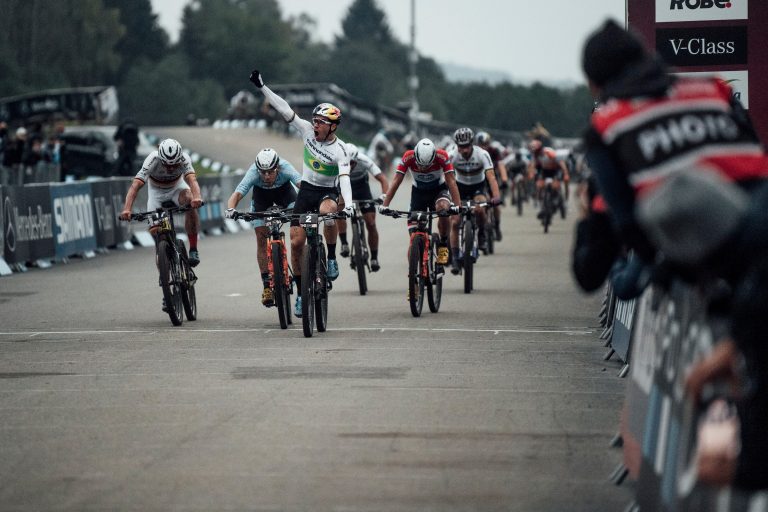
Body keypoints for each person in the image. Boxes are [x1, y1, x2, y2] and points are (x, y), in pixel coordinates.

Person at [582, 18, 768, 490]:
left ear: (595, 84)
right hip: (750, 239)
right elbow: (751, 161)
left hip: (743, 271)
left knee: (738, 457)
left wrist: (651, 257)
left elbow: (600, 255)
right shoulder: (714, 89)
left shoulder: (607, 123)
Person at [249, 68, 354, 319]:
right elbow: (285, 109)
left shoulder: (340, 150)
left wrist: (348, 204)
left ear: (332, 127)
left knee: (328, 212)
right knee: (296, 242)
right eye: (315, 121)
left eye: (321, 122)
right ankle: (299, 292)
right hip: (306, 191)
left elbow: (344, 179)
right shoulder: (306, 131)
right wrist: (262, 87)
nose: (315, 124)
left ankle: (330, 258)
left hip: (327, 192)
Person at [225, 148, 302, 306]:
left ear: (278, 168)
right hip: (261, 198)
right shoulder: (253, 172)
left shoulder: (286, 167)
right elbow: (238, 193)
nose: (266, 176)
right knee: (261, 238)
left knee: (298, 226)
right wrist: (231, 209)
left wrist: (311, 202)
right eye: (263, 172)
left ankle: (301, 263)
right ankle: (267, 286)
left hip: (285, 194)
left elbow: (303, 186)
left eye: (270, 172)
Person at [119, 138, 203, 269]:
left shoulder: (184, 158)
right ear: (161, 158)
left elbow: (192, 181)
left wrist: (196, 198)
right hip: (156, 194)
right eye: (167, 165)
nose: (170, 168)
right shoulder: (152, 159)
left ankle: (193, 249)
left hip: (177, 188)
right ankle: (162, 256)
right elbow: (135, 186)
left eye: (174, 165)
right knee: (155, 229)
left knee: (189, 201)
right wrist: (127, 209)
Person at [379, 138, 461, 267]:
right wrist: (385, 205)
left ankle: (443, 244)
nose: (423, 168)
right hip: (418, 193)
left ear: (434, 157)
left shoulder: (442, 156)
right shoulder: (408, 156)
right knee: (414, 238)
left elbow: (451, 181)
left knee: (443, 209)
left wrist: (457, 206)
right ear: (415, 156)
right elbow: (396, 181)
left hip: (438, 191)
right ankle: (414, 280)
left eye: (427, 165)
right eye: (421, 165)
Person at [448, 127, 501, 274]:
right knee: (455, 221)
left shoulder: (482, 154)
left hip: (478, 187)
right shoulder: (451, 155)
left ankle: (482, 232)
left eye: (466, 146)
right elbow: (444, 177)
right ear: (456, 145)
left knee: (479, 209)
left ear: (472, 143)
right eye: (461, 147)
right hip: (459, 187)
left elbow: (491, 176)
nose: (464, 150)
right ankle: (454, 256)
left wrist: (496, 196)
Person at [337, 144, 389, 272]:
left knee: (371, 223)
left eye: (353, 163)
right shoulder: (336, 160)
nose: (350, 166)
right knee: (339, 209)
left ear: (357, 159)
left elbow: (383, 179)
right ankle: (344, 243)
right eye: (347, 163)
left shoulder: (364, 159)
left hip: (361, 188)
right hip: (343, 186)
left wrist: (384, 197)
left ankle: (374, 258)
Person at [527, 139, 570, 219]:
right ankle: (541, 206)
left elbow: (561, 163)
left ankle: (561, 200)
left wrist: (566, 173)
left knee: (557, 185)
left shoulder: (549, 152)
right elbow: (532, 165)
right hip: (544, 171)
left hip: (555, 170)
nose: (534, 152)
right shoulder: (534, 155)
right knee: (539, 186)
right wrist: (531, 174)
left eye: (536, 150)